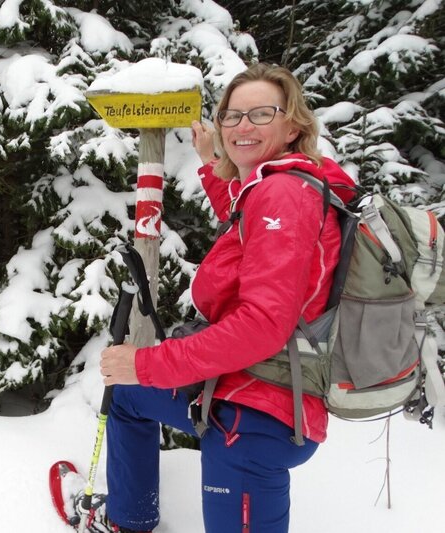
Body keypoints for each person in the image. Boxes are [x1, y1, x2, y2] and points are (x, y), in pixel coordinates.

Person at [97, 63, 357, 532]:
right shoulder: (279, 187)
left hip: (258, 416)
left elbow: (262, 325)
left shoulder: (283, 195)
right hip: (244, 390)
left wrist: (146, 363)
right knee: (129, 397)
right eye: (231, 116)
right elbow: (244, 221)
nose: (241, 126)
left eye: (260, 114)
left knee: (133, 384)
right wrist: (208, 161)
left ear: (293, 124)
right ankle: (128, 519)